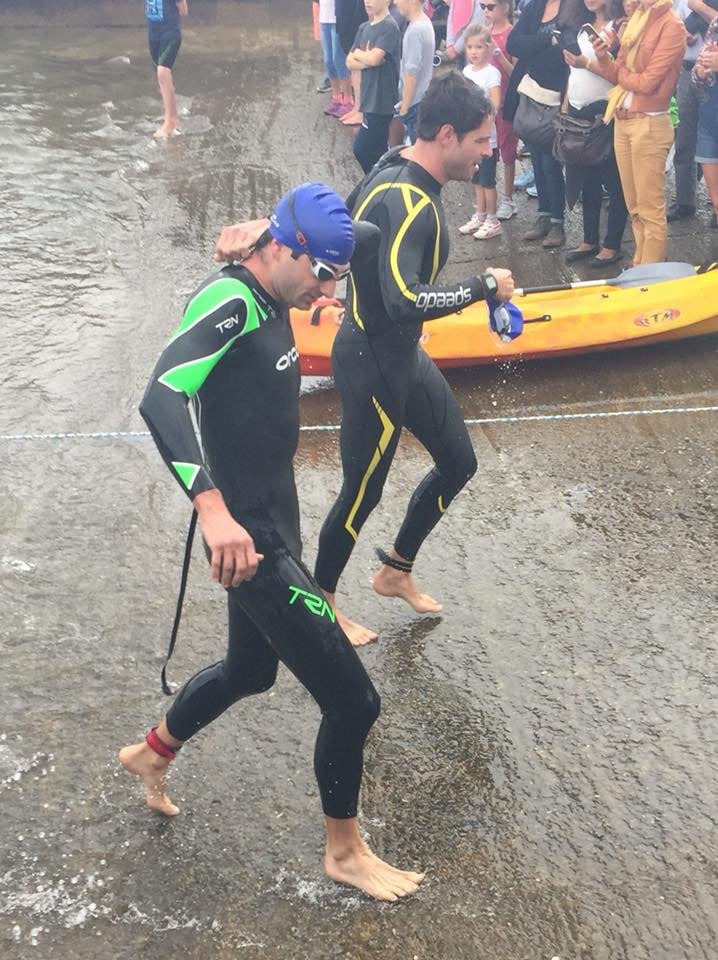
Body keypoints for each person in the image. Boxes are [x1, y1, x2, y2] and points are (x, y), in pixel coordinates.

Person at [118, 182, 424, 903]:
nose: (327, 292)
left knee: (250, 671)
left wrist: (272, 228)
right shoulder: (230, 302)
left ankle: (150, 753)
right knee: (354, 702)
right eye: (320, 275)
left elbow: (364, 232)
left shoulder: (290, 264)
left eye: (335, 277)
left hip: (276, 517)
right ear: (283, 251)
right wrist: (211, 509)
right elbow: (161, 396)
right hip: (245, 540)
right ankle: (344, 852)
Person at [211, 75, 515, 647]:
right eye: (479, 141)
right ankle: (323, 604)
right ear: (447, 135)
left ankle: (395, 570)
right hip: (372, 361)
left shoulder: (393, 161)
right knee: (361, 492)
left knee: (458, 461)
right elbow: (403, 301)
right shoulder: (410, 199)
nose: (486, 152)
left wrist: (274, 233)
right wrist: (485, 285)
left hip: (401, 356)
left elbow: (344, 220)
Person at [590, 0, 686, 265]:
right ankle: (640, 266)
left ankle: (651, 273)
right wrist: (603, 56)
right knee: (634, 206)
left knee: (650, 209)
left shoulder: (672, 25)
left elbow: (648, 83)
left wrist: (621, 73)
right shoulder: (636, 20)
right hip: (623, 119)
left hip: (650, 123)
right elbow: (616, 73)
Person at [562, 0, 629, 266]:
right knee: (585, 179)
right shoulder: (581, 25)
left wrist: (585, 62)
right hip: (578, 107)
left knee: (614, 181)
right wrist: (565, 106)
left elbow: (618, 74)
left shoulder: (619, 26)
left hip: (605, 110)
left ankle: (612, 244)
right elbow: (572, 73)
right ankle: (589, 239)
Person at [506, 0, 573, 248]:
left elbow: (566, 53)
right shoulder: (535, 7)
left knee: (550, 163)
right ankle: (543, 215)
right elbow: (514, 44)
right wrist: (547, 41)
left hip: (558, 97)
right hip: (532, 95)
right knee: (536, 160)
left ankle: (557, 222)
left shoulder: (572, 8)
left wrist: (535, 48)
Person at [458, 25, 504, 237]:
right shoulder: (466, 71)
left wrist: (484, 119)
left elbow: (495, 102)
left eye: (479, 47)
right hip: (470, 137)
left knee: (487, 181)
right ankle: (480, 214)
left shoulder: (492, 73)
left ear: (488, 48)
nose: (473, 52)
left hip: (487, 140)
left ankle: (493, 219)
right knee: (476, 179)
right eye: (469, 47)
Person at [668, 0, 712, 221]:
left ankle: (716, 204)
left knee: (713, 140)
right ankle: (685, 201)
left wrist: (699, 7)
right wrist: (680, 35)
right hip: (686, 71)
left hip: (713, 74)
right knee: (684, 139)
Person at [347, 0, 402, 171]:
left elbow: (375, 58)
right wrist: (366, 59)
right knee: (377, 151)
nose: (368, 2)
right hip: (368, 99)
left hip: (381, 102)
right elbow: (349, 62)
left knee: (361, 149)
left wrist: (360, 55)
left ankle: (375, 181)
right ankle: (380, 182)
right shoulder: (363, 28)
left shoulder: (389, 26)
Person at [485, 0, 520, 220]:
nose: (486, 11)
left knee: (508, 152)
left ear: (505, 7)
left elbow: (517, 73)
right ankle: (487, 196)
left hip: (507, 102)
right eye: (483, 6)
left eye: (491, 6)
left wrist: (498, 54)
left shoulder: (512, 34)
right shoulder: (485, 32)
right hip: (487, 104)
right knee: (488, 149)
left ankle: (508, 199)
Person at [394, 0, 436, 144]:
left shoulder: (415, 31)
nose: (395, 2)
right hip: (422, 98)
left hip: (414, 103)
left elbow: (412, 73)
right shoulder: (425, 23)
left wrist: (405, 107)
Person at [145, 0, 188, 139]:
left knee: (162, 71)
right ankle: (173, 118)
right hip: (153, 34)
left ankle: (170, 121)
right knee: (161, 75)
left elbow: (184, 11)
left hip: (170, 33)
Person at [692, 16, 718, 226]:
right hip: (711, 115)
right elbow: (696, 79)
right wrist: (701, 72)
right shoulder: (716, 23)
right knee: (716, 202)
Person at [319, 0, 354, 117]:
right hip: (324, 18)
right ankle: (336, 97)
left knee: (338, 60)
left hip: (338, 19)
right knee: (328, 60)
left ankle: (348, 99)